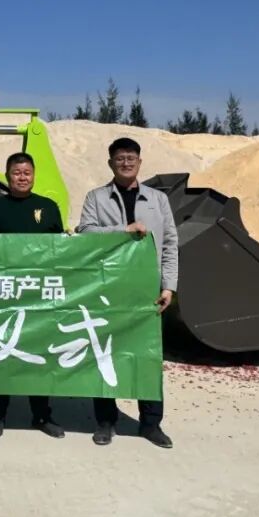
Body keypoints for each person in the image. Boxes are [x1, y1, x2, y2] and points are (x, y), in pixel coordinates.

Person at [77, 137, 178, 449]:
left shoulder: (158, 200)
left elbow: (170, 243)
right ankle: (105, 421)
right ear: (110, 163)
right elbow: (85, 232)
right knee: (104, 353)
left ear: (139, 162)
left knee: (147, 357)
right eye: (119, 158)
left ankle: (151, 423)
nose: (125, 163)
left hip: (148, 293)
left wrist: (169, 286)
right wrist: (123, 230)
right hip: (108, 289)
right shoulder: (96, 197)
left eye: (131, 157)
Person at [0, 152, 66, 440]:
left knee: (39, 354)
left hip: (39, 295)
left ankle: (41, 415)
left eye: (27, 172)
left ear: (34, 175)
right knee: (3, 353)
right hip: (5, 295)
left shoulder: (48, 207)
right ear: (7, 176)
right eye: (16, 173)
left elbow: (61, 250)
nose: (22, 177)